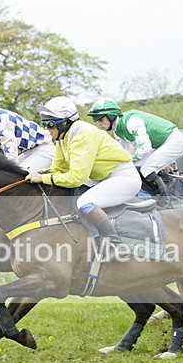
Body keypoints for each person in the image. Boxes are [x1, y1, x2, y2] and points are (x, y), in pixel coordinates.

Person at [25, 96, 141, 250]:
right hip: (103, 178)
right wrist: (34, 174)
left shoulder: (82, 134)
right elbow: (58, 168)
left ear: (65, 122)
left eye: (50, 124)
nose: (47, 129)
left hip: (123, 178)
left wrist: (43, 178)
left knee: (84, 203)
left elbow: (76, 177)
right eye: (44, 124)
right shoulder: (63, 137)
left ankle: (116, 245)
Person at [87, 98, 183, 200]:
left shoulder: (132, 121)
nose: (98, 123)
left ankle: (166, 203)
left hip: (174, 141)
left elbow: (145, 148)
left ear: (111, 115)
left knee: (147, 169)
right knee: (133, 169)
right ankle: (149, 197)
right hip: (159, 145)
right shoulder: (118, 131)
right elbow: (123, 155)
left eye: (100, 119)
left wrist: (130, 159)